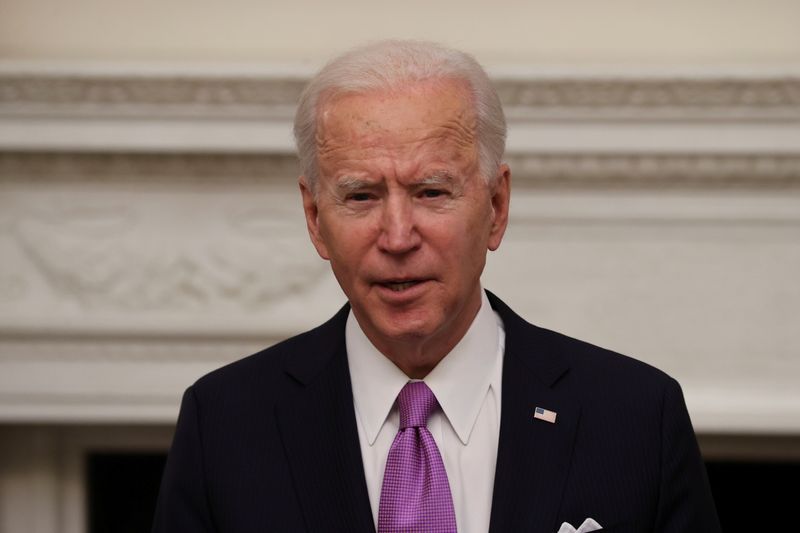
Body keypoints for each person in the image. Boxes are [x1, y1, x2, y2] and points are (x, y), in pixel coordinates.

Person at [152, 40, 721, 533]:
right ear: (313, 217)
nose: (397, 236)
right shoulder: (224, 422)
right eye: (361, 196)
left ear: (496, 207)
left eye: (431, 192)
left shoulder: (636, 415)